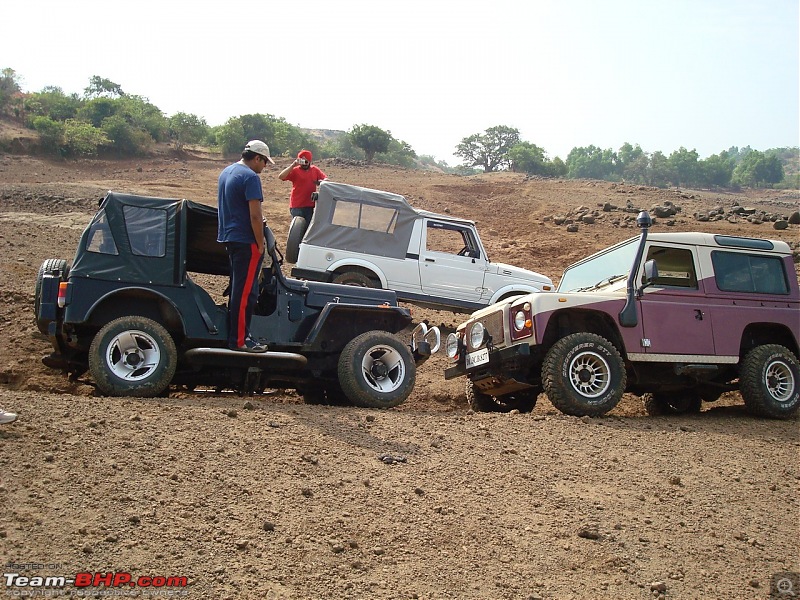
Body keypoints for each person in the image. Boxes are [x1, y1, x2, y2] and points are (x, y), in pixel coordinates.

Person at [217, 140, 274, 353]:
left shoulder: (227, 171)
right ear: (257, 158)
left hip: (230, 238)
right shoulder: (250, 177)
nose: (265, 167)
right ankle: (240, 340)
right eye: (265, 162)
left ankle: (238, 335)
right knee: (246, 293)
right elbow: (255, 216)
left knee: (239, 289)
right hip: (246, 240)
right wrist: (260, 244)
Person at [278, 149, 327, 222]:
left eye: (306, 161)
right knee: (298, 229)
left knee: (308, 230)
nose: (304, 164)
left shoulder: (315, 170)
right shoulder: (295, 170)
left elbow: (326, 180)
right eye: (302, 161)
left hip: (309, 206)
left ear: (310, 161)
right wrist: (293, 165)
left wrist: (321, 182)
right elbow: (281, 176)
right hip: (296, 206)